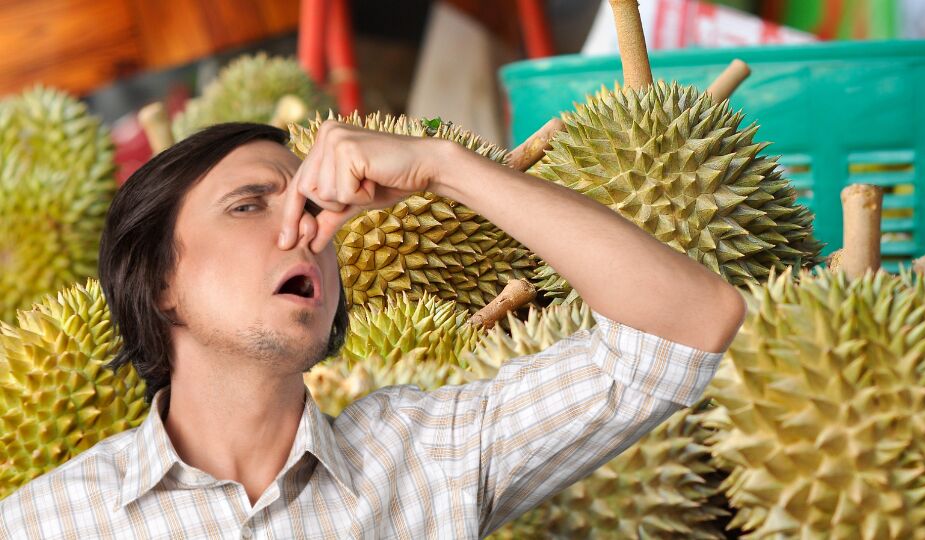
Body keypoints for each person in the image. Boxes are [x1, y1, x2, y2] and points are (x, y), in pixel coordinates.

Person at [0, 121, 744, 538]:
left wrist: (443, 167)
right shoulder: (49, 524)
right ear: (159, 281)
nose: (301, 229)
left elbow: (686, 324)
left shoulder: (426, 458)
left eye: (313, 209)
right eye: (249, 205)